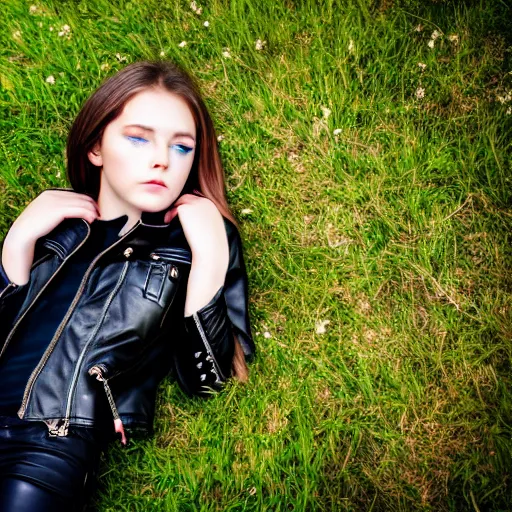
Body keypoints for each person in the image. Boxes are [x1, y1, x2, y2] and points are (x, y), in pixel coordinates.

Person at [0, 61, 254, 511]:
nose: (162, 159)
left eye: (182, 147)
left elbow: (208, 379)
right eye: (139, 138)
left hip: (48, 442)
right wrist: (18, 242)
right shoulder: (58, 224)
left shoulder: (189, 244)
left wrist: (212, 254)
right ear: (96, 146)